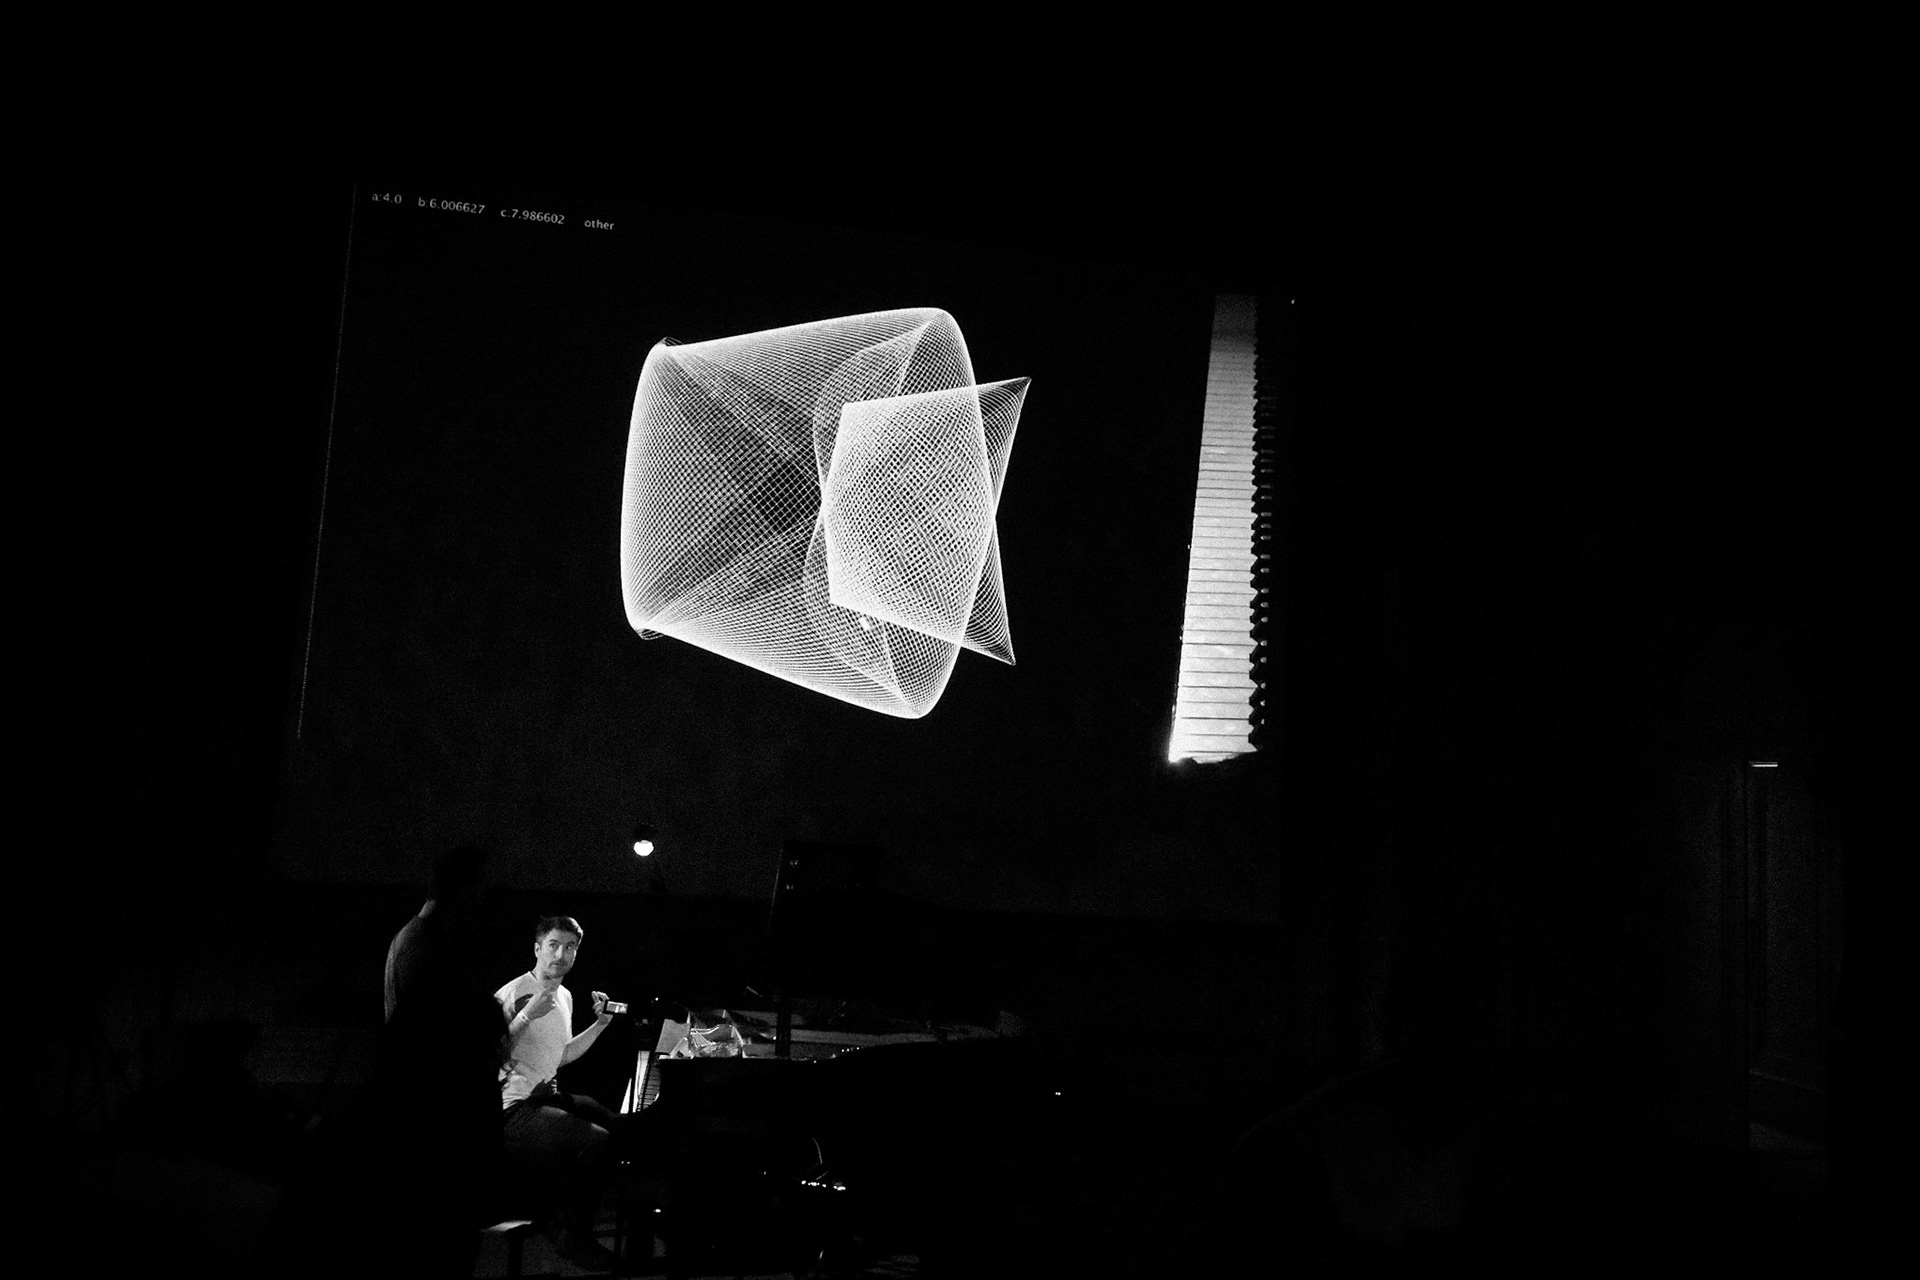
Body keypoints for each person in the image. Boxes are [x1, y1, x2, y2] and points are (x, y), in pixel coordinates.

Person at [496, 915, 623, 1270]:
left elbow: (561, 1055)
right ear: (537, 949)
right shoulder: (513, 992)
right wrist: (525, 1016)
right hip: (511, 1107)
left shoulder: (564, 995)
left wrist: (600, 1024)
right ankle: (567, 1232)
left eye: (570, 947)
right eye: (553, 945)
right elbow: (486, 1054)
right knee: (594, 1141)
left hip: (544, 1097)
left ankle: (567, 1220)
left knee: (618, 1127)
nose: (561, 954)